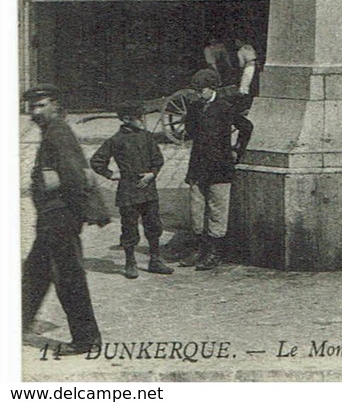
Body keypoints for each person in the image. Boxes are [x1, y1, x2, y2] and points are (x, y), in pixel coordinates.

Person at [22, 84, 102, 356]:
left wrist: (74, 214)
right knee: (35, 273)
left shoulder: (57, 133)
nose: (35, 111)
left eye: (41, 105)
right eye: (32, 107)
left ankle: (86, 339)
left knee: (69, 278)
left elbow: (76, 177)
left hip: (59, 219)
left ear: (55, 105)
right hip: (52, 218)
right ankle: (17, 323)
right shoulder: (52, 132)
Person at [90, 100, 173, 279]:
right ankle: (130, 262)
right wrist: (111, 174)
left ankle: (155, 260)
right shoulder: (115, 140)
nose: (142, 121)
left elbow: (158, 159)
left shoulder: (148, 137)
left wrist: (152, 174)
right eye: (138, 118)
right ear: (127, 119)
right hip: (128, 192)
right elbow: (96, 161)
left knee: (153, 226)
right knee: (129, 229)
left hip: (149, 191)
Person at [180, 68, 253, 270]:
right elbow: (190, 129)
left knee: (217, 209)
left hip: (219, 166)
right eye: (195, 90)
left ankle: (214, 252)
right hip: (198, 165)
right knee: (197, 208)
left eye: (200, 90)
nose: (197, 94)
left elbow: (246, 127)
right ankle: (198, 249)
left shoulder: (225, 107)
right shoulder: (195, 107)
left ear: (211, 88)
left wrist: (237, 150)